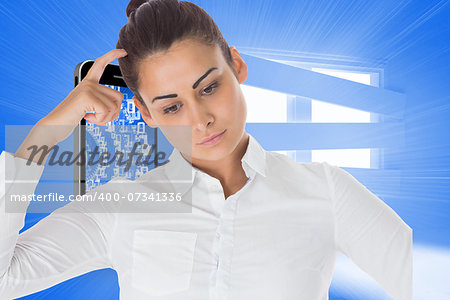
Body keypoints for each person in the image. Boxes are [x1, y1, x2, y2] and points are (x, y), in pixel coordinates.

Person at [0, 0, 412, 299]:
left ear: (237, 65)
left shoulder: (325, 190)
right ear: (145, 112)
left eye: (209, 87)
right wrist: (46, 133)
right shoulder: (120, 207)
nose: (200, 120)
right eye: (172, 105)